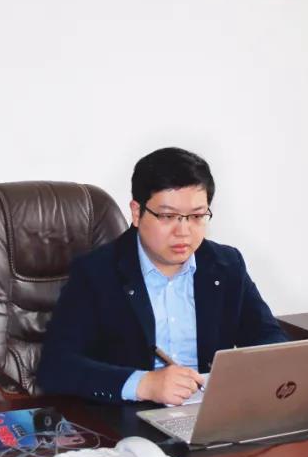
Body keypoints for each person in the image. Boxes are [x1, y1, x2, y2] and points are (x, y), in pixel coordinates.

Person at [36, 147, 287, 405]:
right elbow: (56, 366)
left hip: (209, 409)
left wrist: (244, 375)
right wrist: (142, 384)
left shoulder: (226, 265)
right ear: (137, 213)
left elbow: (270, 339)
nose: (183, 231)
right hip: (130, 414)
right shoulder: (96, 272)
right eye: (168, 216)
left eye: (197, 216)